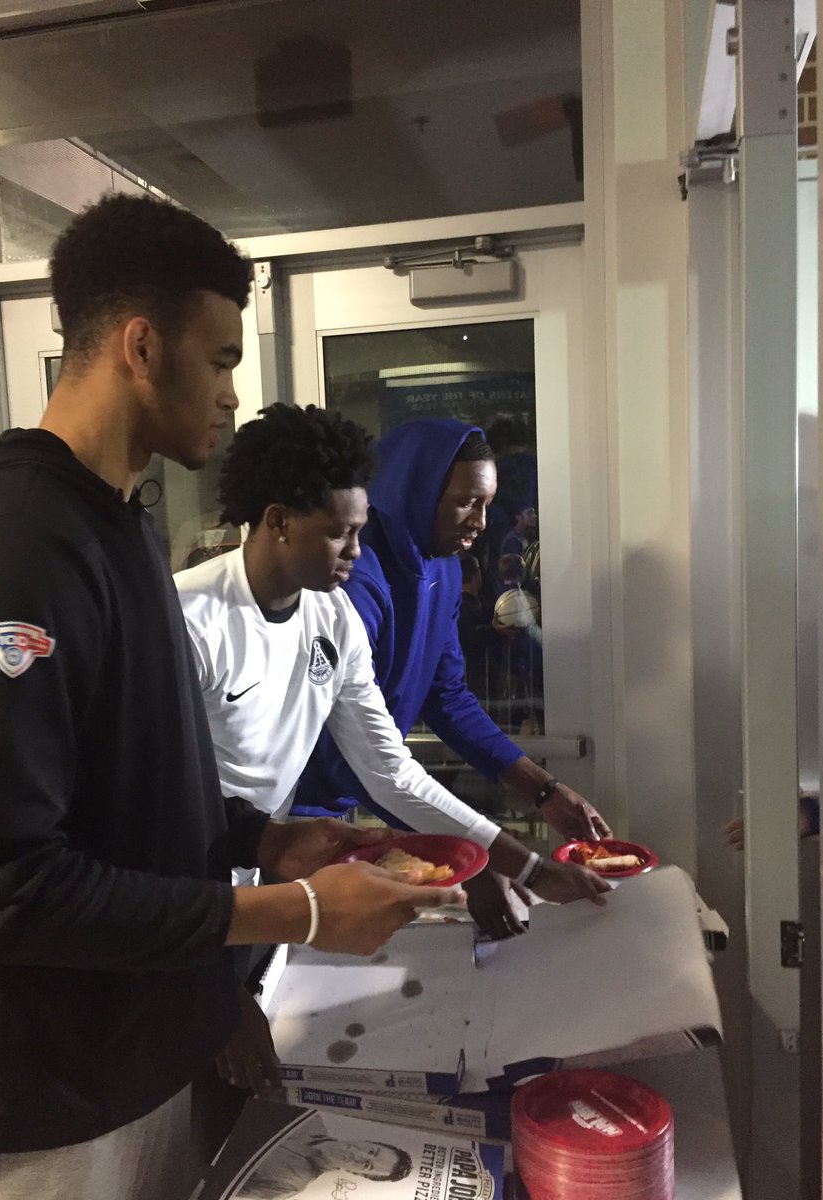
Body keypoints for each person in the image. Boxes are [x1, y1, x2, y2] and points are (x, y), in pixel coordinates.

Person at [0, 195, 462, 1200]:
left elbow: (119, 794)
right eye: (220, 359)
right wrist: (294, 911)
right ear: (141, 347)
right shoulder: (11, 548)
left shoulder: (119, 526)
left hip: (134, 1061)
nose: (232, 394)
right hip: (46, 1104)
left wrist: (254, 839)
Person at [174, 403, 608, 1093]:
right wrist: (217, 996)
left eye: (359, 531)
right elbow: (157, 821)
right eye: (341, 534)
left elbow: (389, 771)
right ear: (280, 520)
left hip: (265, 872)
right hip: (184, 902)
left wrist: (524, 866)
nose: (356, 552)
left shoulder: (334, 616)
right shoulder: (189, 621)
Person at [296, 418, 612, 857]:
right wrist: (485, 852)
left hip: (352, 796)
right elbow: (350, 751)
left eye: (488, 504)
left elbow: (447, 696)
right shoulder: (355, 578)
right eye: (466, 502)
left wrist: (544, 790)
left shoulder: (441, 567)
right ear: (416, 489)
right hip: (289, 810)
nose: (481, 522)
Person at [241, 1114, 411, 1199]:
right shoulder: (309, 1119)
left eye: (366, 1165)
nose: (357, 1154)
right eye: (371, 1151)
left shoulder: (291, 1184)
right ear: (366, 1141)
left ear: (358, 1174)